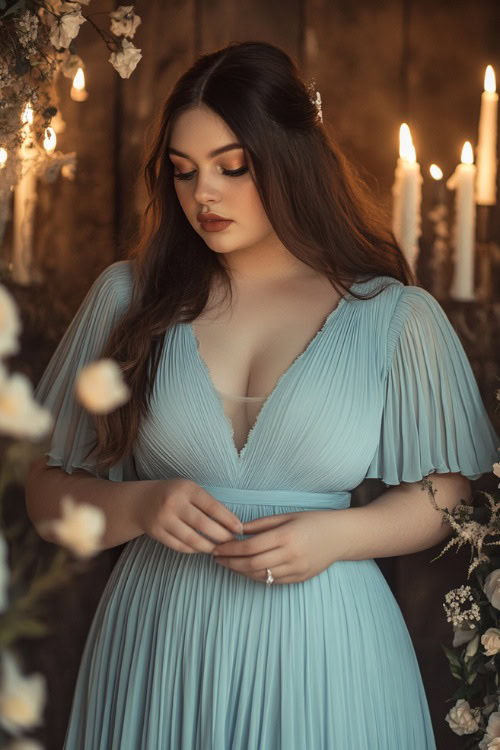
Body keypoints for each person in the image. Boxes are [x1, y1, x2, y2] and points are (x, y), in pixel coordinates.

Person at [26, 40, 500, 749]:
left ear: (288, 157)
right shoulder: (129, 299)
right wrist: (136, 503)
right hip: (161, 643)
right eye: (182, 173)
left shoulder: (390, 315)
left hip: (330, 646)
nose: (202, 196)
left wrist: (341, 534)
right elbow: (43, 495)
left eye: (231, 167)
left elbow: (451, 495)